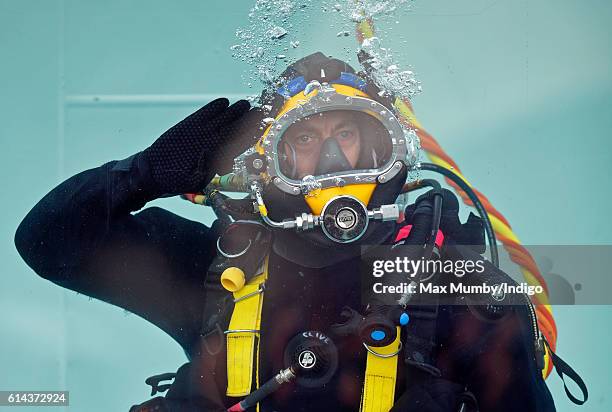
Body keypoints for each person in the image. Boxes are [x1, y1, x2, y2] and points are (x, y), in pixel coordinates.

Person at [15, 52, 559, 411]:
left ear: (383, 149)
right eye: (302, 141)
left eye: (346, 132)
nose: (328, 158)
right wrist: (146, 173)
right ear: (270, 162)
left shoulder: (458, 292)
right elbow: (49, 240)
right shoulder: (219, 268)